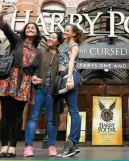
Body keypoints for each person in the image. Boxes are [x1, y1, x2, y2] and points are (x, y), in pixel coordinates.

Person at [0, 6, 42, 158]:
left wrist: (35, 77)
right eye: (28, 27)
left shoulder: (38, 51)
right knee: (5, 115)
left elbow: (35, 70)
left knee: (18, 115)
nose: (30, 29)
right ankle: (3, 146)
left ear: (37, 32)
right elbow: (6, 29)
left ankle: (13, 147)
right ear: (24, 31)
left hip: (25, 83)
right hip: (9, 80)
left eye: (33, 28)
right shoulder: (17, 41)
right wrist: (2, 18)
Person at [23, 31, 63, 157]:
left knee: (52, 120)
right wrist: (34, 76)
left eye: (53, 37)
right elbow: (32, 68)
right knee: (33, 117)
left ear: (59, 41)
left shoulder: (61, 56)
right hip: (39, 89)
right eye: (49, 37)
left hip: (53, 92)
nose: (50, 39)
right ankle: (28, 147)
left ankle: (52, 146)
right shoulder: (40, 53)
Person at [56, 24, 83, 158]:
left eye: (67, 30)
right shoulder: (64, 45)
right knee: (73, 110)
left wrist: (70, 78)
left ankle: (71, 142)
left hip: (69, 75)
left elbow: (71, 62)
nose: (64, 32)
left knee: (73, 111)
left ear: (73, 33)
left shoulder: (74, 46)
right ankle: (74, 145)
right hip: (63, 76)